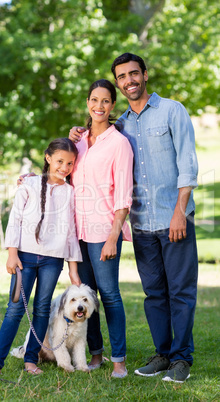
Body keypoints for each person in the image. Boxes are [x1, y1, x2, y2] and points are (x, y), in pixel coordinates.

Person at [70, 53, 199, 383]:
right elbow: (97, 142)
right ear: (118, 83)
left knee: (181, 292)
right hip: (141, 224)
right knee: (154, 293)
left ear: (144, 74)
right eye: (122, 77)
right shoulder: (122, 123)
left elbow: (188, 163)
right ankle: (162, 354)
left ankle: (182, 359)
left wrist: (180, 212)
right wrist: (76, 134)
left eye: (133, 74)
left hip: (174, 218)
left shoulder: (172, 110)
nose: (129, 81)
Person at [18, 79, 134, 378]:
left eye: (106, 101)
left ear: (112, 105)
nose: (99, 106)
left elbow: (123, 195)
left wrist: (113, 235)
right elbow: (63, 173)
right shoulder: (79, 141)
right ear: (87, 103)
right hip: (75, 233)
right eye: (94, 100)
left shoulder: (119, 143)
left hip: (103, 232)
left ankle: (118, 360)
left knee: (109, 295)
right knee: (87, 295)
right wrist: (36, 177)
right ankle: (95, 354)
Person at [0, 138, 82, 378]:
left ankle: (31, 359)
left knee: (42, 309)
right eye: (60, 161)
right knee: (15, 309)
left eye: (70, 163)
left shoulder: (70, 192)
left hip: (53, 260)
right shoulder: (29, 184)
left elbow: (71, 231)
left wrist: (73, 269)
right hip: (25, 257)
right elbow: (15, 219)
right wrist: (12, 253)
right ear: (48, 158)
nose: (64, 167)